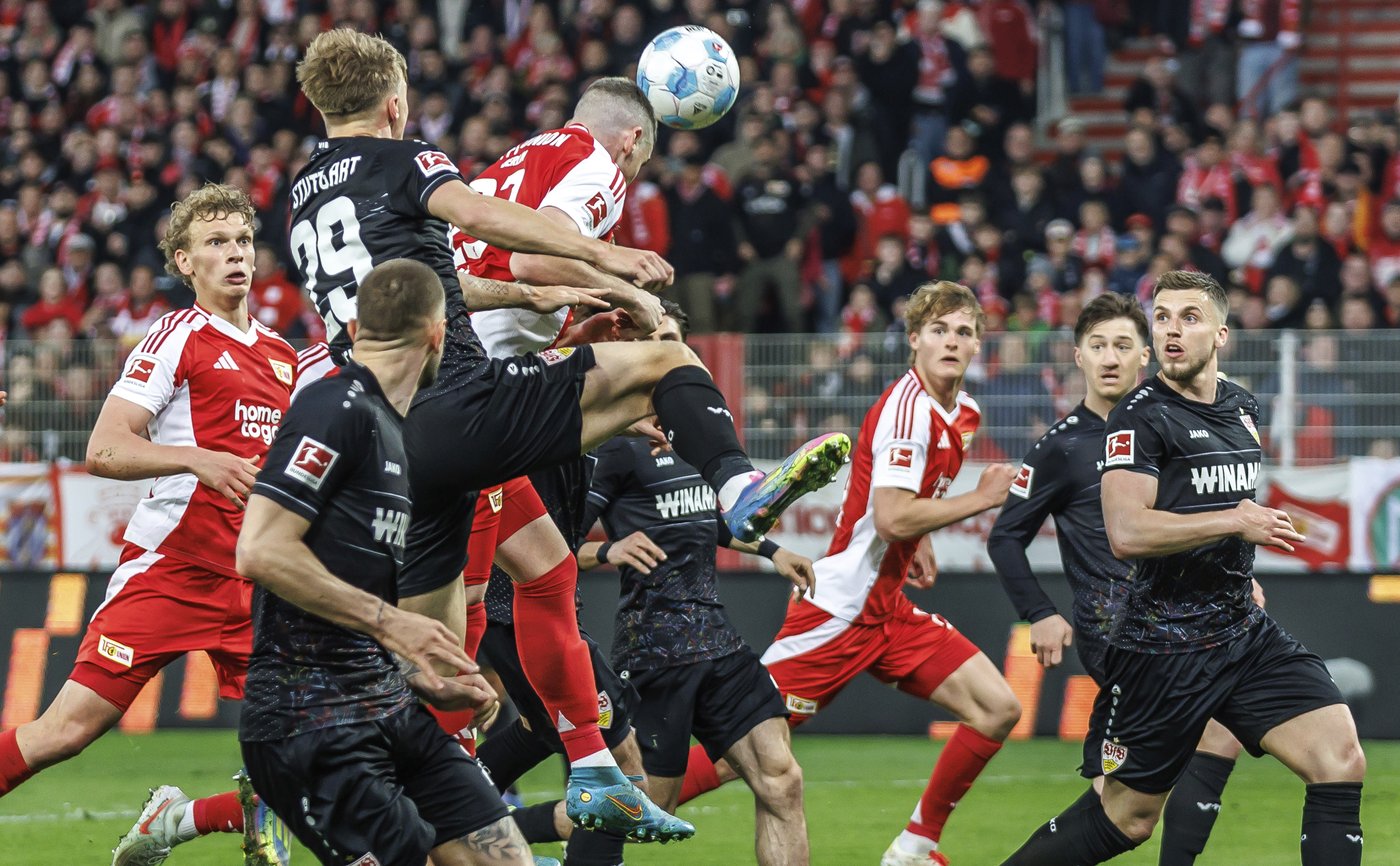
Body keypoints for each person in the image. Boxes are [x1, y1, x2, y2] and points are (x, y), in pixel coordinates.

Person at [291, 30, 850, 841]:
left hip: (381, 434)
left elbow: (455, 283)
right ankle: (739, 489)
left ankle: (568, 772)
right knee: (663, 361)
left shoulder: (304, 192)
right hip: (466, 404)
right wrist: (604, 257)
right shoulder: (421, 159)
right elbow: (493, 226)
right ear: (395, 103)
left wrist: (573, 298)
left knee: (492, 617)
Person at [1000, 270, 1366, 866]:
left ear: (1221, 333)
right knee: (1128, 818)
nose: (1172, 329)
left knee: (1340, 758)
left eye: (1188, 317)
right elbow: (1126, 531)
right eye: (1163, 317)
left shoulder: (1242, 406)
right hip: (1164, 648)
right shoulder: (1140, 417)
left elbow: (1212, 502)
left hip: (1243, 633)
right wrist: (1233, 522)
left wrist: (1238, 560)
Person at [0, 184, 293, 866]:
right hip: (174, 570)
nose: (235, 255)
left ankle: (175, 821)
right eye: (216, 244)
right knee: (64, 732)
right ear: (184, 261)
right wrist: (196, 459)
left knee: (307, 758)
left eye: (243, 241)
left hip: (256, 580)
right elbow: (103, 448)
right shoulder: (178, 338)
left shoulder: (283, 358)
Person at [681, 282, 1021, 866]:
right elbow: (891, 517)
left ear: (976, 347)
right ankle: (614, 812)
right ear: (913, 340)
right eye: (939, 330)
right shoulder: (907, 410)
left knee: (998, 707)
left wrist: (921, 539)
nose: (952, 341)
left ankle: (915, 847)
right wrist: (980, 499)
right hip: (838, 611)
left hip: (887, 610)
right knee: (736, 755)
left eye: (964, 332)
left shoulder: (963, 414)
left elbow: (899, 515)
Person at [235, 258, 541, 866]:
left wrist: (415, 673)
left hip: (388, 706)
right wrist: (390, 623)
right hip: (309, 725)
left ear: (352, 326)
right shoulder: (334, 408)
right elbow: (260, 549)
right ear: (439, 334)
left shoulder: (395, 429)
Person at [987, 292, 1257, 865]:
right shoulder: (1060, 447)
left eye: (1124, 345)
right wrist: (1039, 612)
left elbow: (1208, 512)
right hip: (1122, 633)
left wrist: (1233, 577)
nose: (1110, 357)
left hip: (1188, 619)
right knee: (1140, 792)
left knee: (1127, 801)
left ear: (1146, 356)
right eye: (1097, 345)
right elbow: (1005, 536)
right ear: (1078, 356)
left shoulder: (1173, 422)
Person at [578, 300, 813, 866]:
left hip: (718, 638)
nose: (664, 352)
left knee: (781, 780)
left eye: (673, 341)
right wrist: (609, 548)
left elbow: (705, 522)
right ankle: (513, 832)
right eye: (653, 340)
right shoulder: (613, 446)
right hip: (655, 649)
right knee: (644, 803)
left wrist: (773, 550)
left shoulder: (701, 438)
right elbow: (552, 545)